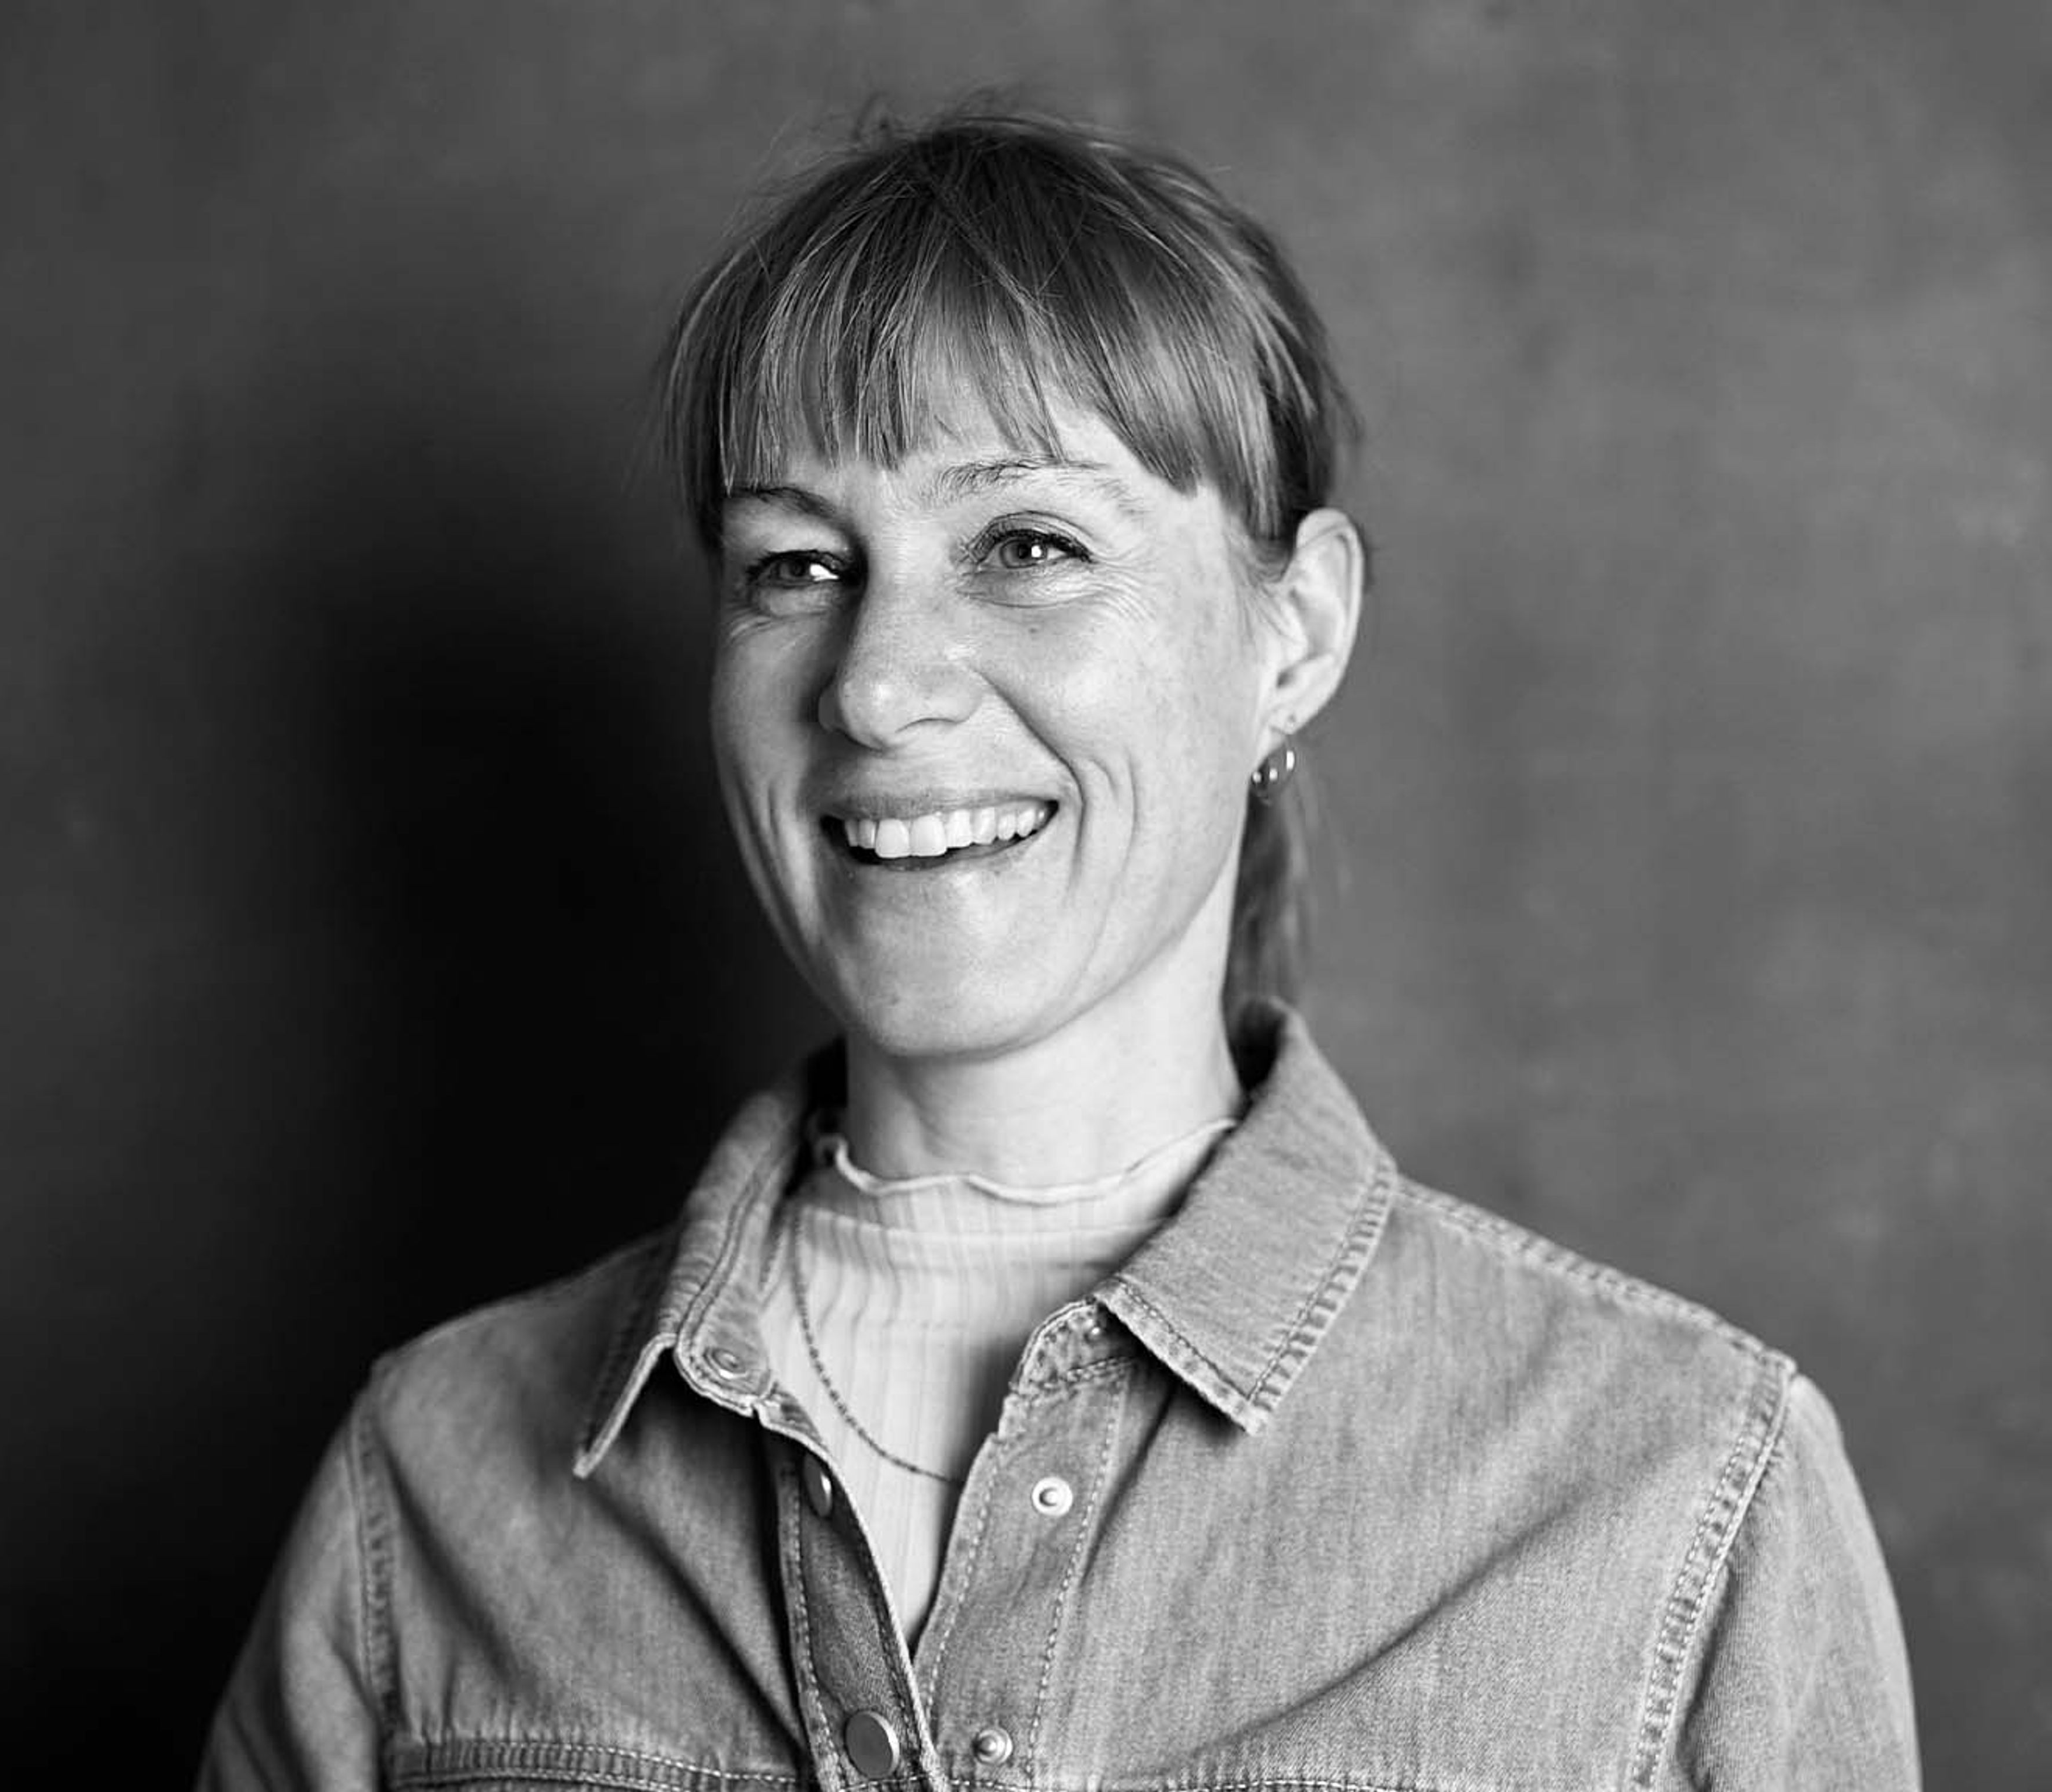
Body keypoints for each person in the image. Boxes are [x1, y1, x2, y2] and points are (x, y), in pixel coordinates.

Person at [198, 105, 1918, 1791]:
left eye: (1028, 546)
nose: (878, 687)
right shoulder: (422, 1496)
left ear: (1296, 635)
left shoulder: (1680, 1495)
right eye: (795, 565)